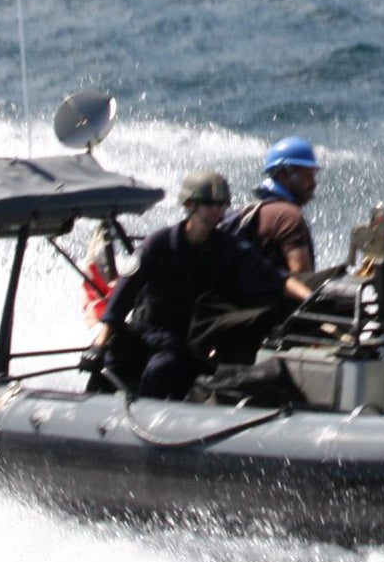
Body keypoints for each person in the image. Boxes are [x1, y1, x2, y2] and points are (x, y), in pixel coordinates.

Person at [89, 169, 312, 399]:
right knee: (109, 361)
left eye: (221, 204)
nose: (216, 210)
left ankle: (144, 418)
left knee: (161, 370)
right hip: (144, 330)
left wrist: (310, 299)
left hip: (185, 340)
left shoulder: (228, 248)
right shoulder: (158, 244)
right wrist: (99, 344)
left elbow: (276, 279)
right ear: (190, 204)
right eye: (209, 203)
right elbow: (121, 298)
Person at [227, 135, 320, 276]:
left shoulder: (249, 211)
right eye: (307, 176)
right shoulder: (289, 215)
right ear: (284, 175)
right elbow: (303, 278)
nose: (314, 184)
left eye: (314, 176)